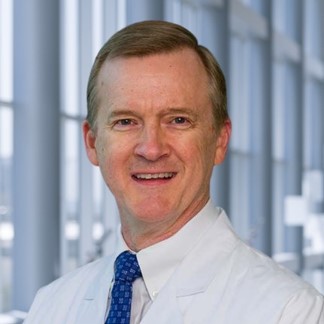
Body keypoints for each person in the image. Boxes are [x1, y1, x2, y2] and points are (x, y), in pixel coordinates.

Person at [25, 20, 323, 324]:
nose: (151, 149)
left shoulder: (292, 311)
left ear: (219, 139)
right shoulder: (51, 305)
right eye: (126, 122)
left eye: (178, 120)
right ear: (92, 143)